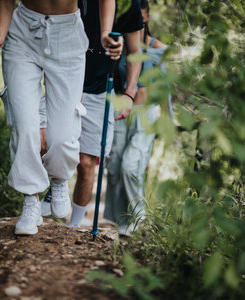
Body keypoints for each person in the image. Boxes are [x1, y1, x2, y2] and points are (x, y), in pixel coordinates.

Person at [0, 0, 121, 235]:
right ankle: (30, 200)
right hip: (23, 32)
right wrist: (0, 36)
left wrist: (105, 32)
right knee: (24, 124)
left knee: (63, 134)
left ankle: (59, 178)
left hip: (68, 35)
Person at [39, 0, 143, 229]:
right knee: (43, 142)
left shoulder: (129, 5)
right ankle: (46, 194)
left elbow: (135, 51)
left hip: (100, 88)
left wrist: (129, 93)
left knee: (86, 163)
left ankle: (74, 227)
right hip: (62, 79)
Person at [103, 0, 168, 236]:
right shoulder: (121, 42)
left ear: (146, 18)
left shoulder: (158, 48)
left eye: (141, 18)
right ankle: (123, 220)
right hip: (122, 109)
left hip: (147, 115)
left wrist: (167, 122)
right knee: (117, 165)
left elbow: (164, 88)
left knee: (132, 166)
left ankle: (138, 218)